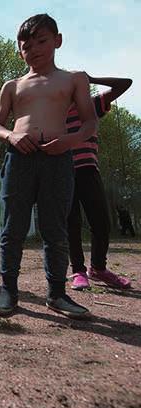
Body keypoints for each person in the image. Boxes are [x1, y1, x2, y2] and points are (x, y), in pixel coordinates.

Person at [0, 14, 98, 319]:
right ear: (18, 49)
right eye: (26, 44)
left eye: (41, 41)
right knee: (13, 227)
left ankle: (57, 294)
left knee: (55, 228)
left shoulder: (74, 78)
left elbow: (90, 123)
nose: (34, 49)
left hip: (57, 158)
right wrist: (11, 135)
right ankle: (8, 291)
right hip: (19, 158)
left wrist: (69, 141)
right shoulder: (12, 85)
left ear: (57, 41)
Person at [67, 75, 133, 290]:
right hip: (63, 172)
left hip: (88, 170)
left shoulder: (92, 105)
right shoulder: (53, 112)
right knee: (71, 223)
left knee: (101, 221)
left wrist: (92, 78)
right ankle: (77, 270)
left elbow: (125, 84)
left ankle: (98, 268)